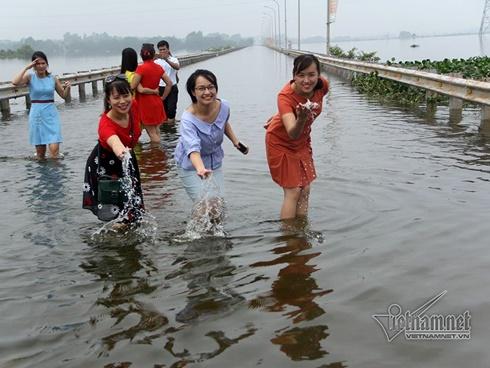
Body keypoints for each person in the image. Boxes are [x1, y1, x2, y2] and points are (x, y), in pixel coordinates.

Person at [265, 54, 329, 220]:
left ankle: (301, 228)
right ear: (294, 75)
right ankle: (289, 237)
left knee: (305, 188)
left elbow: (295, 127)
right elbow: (292, 133)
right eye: (301, 75)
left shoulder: (323, 86)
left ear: (318, 75)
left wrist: (279, 114)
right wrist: (301, 118)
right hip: (281, 142)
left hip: (302, 141)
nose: (306, 80)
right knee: (293, 190)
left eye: (311, 75)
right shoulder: (285, 96)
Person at [174, 69, 248, 204]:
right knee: (204, 204)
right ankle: (194, 225)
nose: (207, 92)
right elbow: (192, 149)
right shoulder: (188, 119)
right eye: (201, 89)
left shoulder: (224, 106)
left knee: (218, 204)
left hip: (215, 162)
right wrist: (200, 169)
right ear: (193, 92)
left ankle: (214, 225)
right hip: (191, 166)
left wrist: (235, 142)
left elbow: (223, 122)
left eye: (211, 87)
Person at [83, 75, 145, 223]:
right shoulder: (105, 124)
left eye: (126, 95)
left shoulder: (133, 106)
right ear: (108, 100)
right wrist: (122, 152)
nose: (122, 102)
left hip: (127, 158)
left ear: (131, 94)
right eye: (116, 98)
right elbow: (114, 141)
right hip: (106, 162)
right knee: (114, 211)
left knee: (134, 209)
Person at [11, 51, 71, 159]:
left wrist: (68, 88)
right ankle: (43, 175)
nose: (41, 66)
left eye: (43, 63)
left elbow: (64, 95)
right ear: (34, 65)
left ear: (47, 64)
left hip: (51, 114)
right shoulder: (30, 77)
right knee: (40, 154)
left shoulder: (52, 78)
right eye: (38, 64)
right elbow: (15, 82)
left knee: (54, 151)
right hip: (37, 115)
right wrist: (26, 68)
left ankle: (56, 174)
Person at [130, 43, 172, 143]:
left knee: (152, 132)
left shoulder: (140, 68)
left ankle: (157, 154)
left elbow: (132, 86)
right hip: (157, 101)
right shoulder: (158, 68)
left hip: (145, 104)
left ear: (141, 55)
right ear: (153, 54)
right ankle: (160, 155)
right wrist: (163, 97)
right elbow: (169, 83)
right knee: (156, 130)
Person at [155, 40, 180, 124]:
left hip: (172, 87)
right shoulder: (156, 61)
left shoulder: (173, 59)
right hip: (160, 88)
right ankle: (166, 129)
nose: (162, 51)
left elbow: (177, 67)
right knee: (162, 110)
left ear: (168, 49)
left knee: (171, 109)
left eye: (164, 49)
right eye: (160, 50)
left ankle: (171, 128)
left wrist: (166, 60)